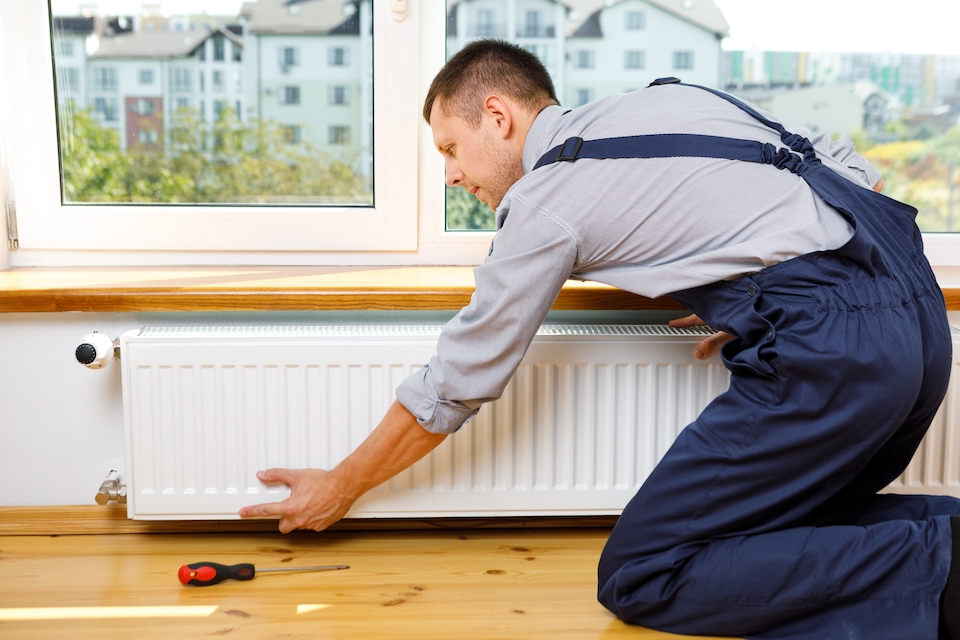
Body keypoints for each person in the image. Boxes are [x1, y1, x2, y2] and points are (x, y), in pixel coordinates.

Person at [240, 40, 960, 639]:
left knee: (643, 574)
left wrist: (342, 485)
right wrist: (755, 289)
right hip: (915, 320)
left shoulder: (547, 198)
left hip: (837, 350)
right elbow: (835, 162)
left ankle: (947, 571)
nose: (453, 174)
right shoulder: (672, 97)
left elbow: (459, 377)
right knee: (785, 520)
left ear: (498, 114)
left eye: (451, 148)